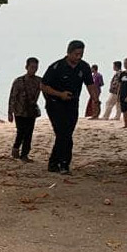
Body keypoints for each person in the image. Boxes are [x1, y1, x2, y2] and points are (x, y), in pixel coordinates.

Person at [40, 40, 100, 175]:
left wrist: (96, 101)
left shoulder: (84, 67)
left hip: (72, 104)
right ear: (69, 53)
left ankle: (53, 163)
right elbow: (43, 86)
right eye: (76, 54)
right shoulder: (57, 67)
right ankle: (64, 164)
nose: (79, 57)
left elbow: (90, 85)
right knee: (64, 134)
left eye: (81, 54)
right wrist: (60, 94)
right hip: (55, 104)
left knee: (66, 134)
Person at [7, 57, 42, 162]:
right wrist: (10, 112)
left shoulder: (39, 81)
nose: (34, 69)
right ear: (26, 67)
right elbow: (12, 97)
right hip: (19, 111)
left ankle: (24, 155)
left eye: (36, 67)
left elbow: (47, 91)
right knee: (21, 131)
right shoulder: (18, 81)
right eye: (32, 67)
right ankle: (16, 148)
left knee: (29, 133)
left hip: (31, 111)